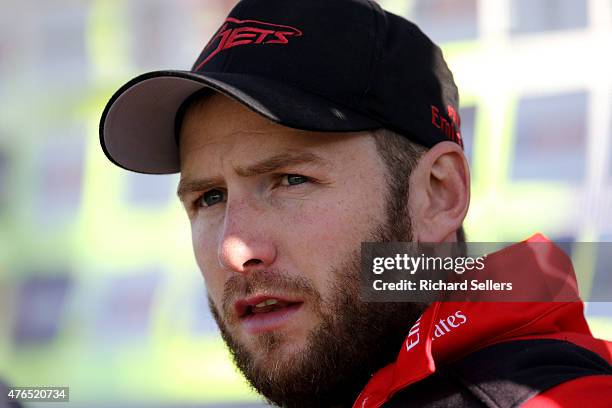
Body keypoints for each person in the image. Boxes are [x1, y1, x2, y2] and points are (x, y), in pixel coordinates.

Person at [99, 0, 612, 406]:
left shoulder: (552, 398)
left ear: (439, 193)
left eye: (290, 179)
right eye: (209, 197)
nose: (236, 249)